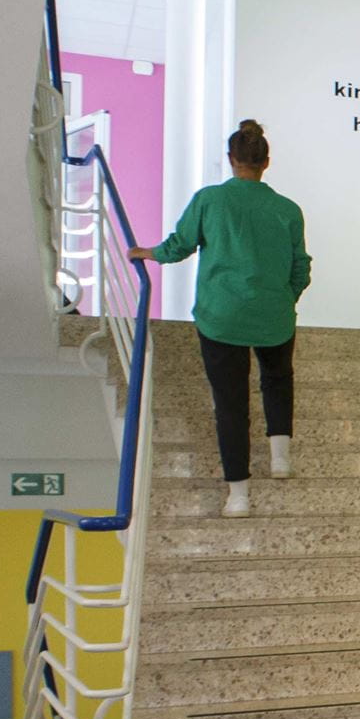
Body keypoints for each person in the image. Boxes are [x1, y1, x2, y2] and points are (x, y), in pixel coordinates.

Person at [129, 119, 311, 518]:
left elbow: (179, 247)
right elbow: (301, 267)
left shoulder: (209, 200)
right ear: (267, 162)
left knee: (230, 404)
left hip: (221, 315)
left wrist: (147, 253)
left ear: (231, 160)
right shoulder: (287, 210)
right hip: (274, 314)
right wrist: (286, 298)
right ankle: (281, 459)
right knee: (278, 379)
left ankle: (239, 496)